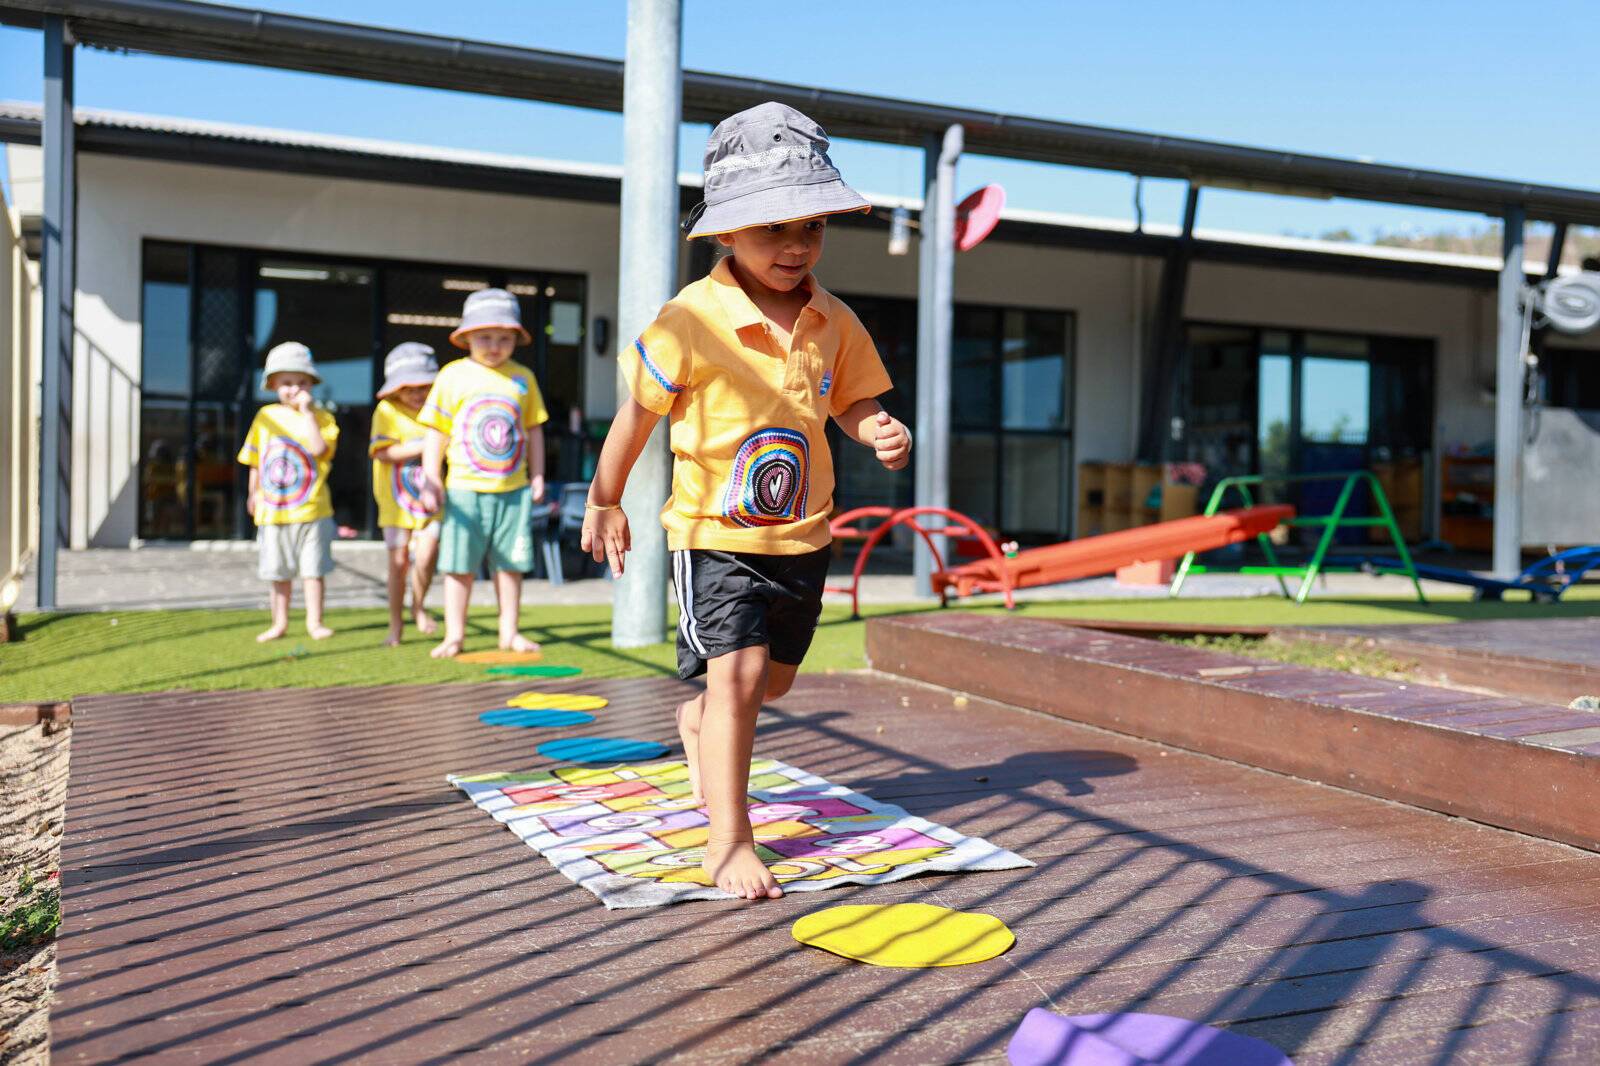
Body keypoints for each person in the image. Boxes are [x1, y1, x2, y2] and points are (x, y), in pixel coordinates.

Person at [581, 102, 912, 900]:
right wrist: (605, 499)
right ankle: (729, 839)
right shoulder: (691, 319)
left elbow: (850, 401)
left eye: (812, 228)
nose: (797, 246)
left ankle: (700, 721)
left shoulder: (834, 319)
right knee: (741, 673)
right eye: (774, 229)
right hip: (714, 536)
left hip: (803, 538)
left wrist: (876, 427)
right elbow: (637, 416)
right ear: (727, 232)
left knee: (775, 682)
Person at [417, 288, 549, 659]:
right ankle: (454, 634)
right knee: (459, 565)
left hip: (513, 489)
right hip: (464, 490)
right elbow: (436, 433)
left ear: (516, 339)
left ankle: (510, 631)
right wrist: (431, 479)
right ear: (467, 338)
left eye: (504, 338)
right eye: (485, 337)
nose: (494, 346)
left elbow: (534, 429)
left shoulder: (522, 378)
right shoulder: (452, 376)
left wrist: (538, 475)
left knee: (511, 565)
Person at [237, 341, 340, 643]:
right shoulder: (265, 417)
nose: (295, 389)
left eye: (302, 382)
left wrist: (308, 414)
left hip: (313, 509)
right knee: (277, 572)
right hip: (274, 511)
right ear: (273, 385)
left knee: (313, 571)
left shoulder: (323, 418)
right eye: (287, 382)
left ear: (312, 384)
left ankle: (315, 622)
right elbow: (254, 460)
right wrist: (253, 493)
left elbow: (320, 450)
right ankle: (279, 622)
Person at [370, 342, 442, 646]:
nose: (416, 394)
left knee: (426, 557)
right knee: (398, 563)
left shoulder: (438, 411)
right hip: (395, 503)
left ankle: (418, 606)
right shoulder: (386, 411)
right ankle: (395, 623)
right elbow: (382, 452)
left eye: (423, 387)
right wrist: (425, 446)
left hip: (432, 501)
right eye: (408, 388)